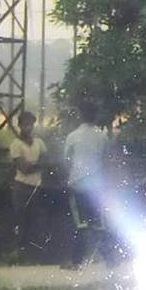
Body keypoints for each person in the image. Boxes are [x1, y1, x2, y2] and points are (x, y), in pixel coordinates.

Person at [62, 104, 113, 269]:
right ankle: (110, 259)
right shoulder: (102, 136)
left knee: (80, 224)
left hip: (78, 184)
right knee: (99, 223)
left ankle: (77, 261)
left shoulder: (72, 136)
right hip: (97, 185)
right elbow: (106, 159)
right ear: (96, 116)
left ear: (80, 116)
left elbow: (66, 159)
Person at [6, 111, 49, 261]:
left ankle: (34, 255)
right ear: (20, 126)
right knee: (20, 221)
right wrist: (37, 165)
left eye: (31, 124)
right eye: (25, 124)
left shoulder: (39, 143)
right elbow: (23, 168)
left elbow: (47, 162)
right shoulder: (16, 144)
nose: (28, 127)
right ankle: (19, 254)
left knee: (35, 222)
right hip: (21, 187)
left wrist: (33, 165)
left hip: (36, 187)